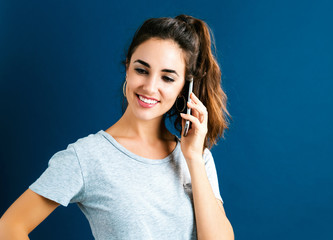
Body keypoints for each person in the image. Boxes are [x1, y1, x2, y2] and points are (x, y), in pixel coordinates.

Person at [0, 14, 234, 240]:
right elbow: (9, 227)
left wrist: (192, 157)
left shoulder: (198, 158)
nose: (150, 87)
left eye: (168, 78)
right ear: (127, 69)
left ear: (185, 86)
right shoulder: (88, 157)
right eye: (141, 70)